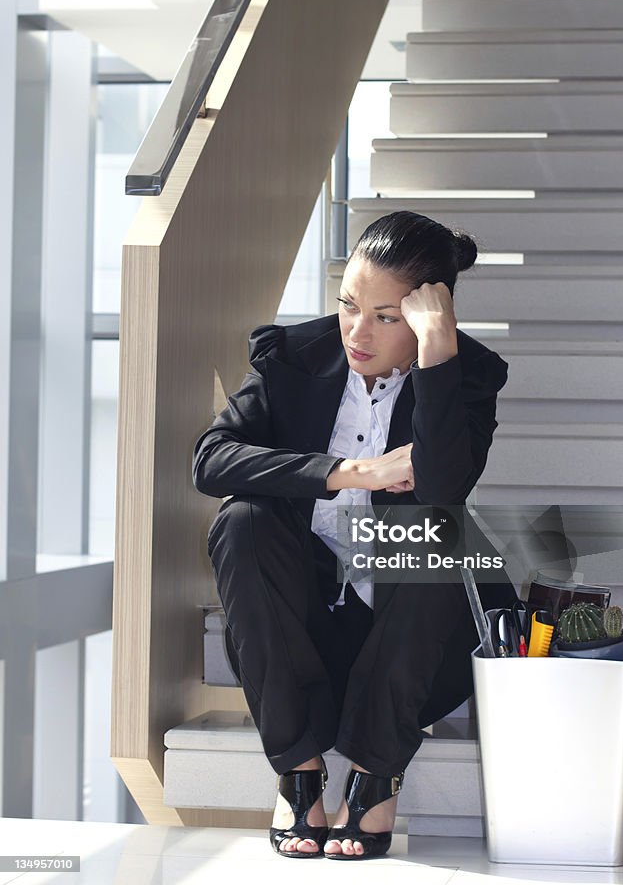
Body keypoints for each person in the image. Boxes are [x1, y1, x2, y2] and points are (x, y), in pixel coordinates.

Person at [192, 210, 516, 860]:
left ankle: (376, 773)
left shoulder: (466, 372)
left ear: (427, 316)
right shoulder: (292, 356)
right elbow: (212, 460)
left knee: (433, 527)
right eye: (348, 306)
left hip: (414, 632)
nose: (356, 332)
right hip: (304, 623)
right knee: (242, 520)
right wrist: (348, 472)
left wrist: (438, 356)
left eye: (385, 316)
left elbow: (447, 486)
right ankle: (299, 770)